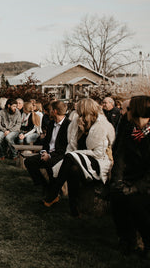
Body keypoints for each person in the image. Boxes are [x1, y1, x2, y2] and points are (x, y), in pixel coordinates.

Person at [43, 98, 115, 217]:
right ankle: (74, 209)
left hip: (98, 161)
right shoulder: (76, 124)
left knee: (71, 158)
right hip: (79, 161)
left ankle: (53, 193)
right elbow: (71, 147)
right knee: (73, 170)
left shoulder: (101, 126)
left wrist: (76, 154)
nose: (76, 113)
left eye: (79, 111)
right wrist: (75, 154)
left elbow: (98, 153)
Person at [109, 95, 150, 256]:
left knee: (136, 202)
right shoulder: (130, 129)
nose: (126, 111)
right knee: (116, 196)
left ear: (137, 110)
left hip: (146, 182)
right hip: (130, 176)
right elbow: (120, 156)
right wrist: (118, 180)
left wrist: (135, 188)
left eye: (129, 108)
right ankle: (127, 239)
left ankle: (148, 244)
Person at [24, 100, 70, 195]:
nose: (49, 112)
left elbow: (65, 147)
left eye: (51, 110)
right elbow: (46, 142)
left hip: (61, 155)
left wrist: (49, 155)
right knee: (28, 161)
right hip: (48, 153)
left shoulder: (68, 125)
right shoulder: (51, 124)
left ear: (55, 111)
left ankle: (53, 192)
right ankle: (43, 185)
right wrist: (44, 152)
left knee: (50, 164)